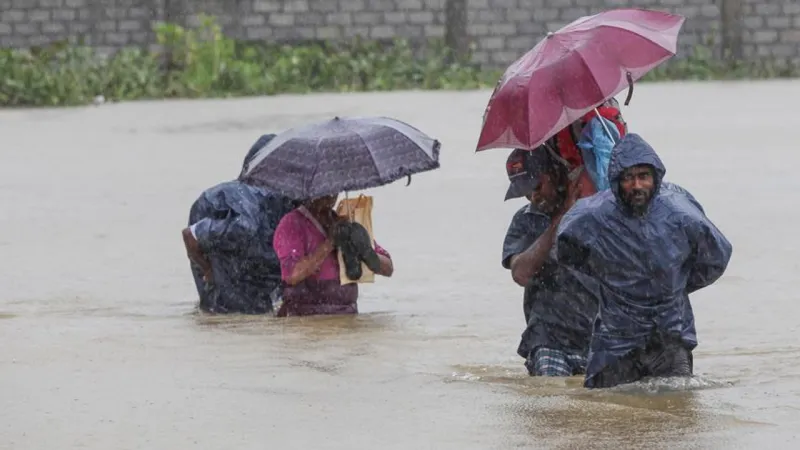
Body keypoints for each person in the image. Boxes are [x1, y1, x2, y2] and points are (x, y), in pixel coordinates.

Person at [555, 133, 733, 389]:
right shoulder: (592, 216)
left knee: (675, 412)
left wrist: (677, 284)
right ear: (616, 181)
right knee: (605, 412)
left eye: (643, 177)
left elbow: (717, 255)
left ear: (656, 178)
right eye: (628, 178)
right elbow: (567, 252)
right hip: (616, 338)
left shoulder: (680, 213)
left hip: (670, 334)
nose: (637, 185)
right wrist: (609, 279)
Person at [501, 147, 600, 377]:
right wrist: (562, 217)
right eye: (525, 191)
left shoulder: (594, 213)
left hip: (598, 337)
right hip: (547, 338)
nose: (532, 197)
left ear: (556, 174)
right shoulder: (525, 221)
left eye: (536, 187)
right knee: (551, 403)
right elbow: (521, 274)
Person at [182, 134, 296, 314]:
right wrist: (208, 270)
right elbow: (190, 235)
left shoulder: (282, 207)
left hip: (248, 308)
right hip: (225, 305)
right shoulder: (243, 209)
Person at [272, 193, 394, 317]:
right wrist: (330, 242)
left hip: (347, 315)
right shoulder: (292, 223)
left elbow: (388, 268)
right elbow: (292, 275)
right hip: (305, 318)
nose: (330, 195)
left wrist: (366, 251)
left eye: (333, 190)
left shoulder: (345, 222)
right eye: (323, 190)